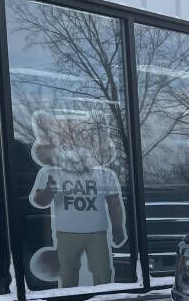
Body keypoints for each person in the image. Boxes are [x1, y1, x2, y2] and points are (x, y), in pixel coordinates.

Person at [27, 111, 128, 288]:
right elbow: (39, 201)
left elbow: (114, 203)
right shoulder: (50, 173)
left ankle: (105, 299)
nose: (77, 150)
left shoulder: (104, 174)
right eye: (67, 144)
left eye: (83, 143)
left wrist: (118, 227)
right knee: (67, 272)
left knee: (102, 271)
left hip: (97, 232)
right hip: (66, 233)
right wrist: (49, 191)